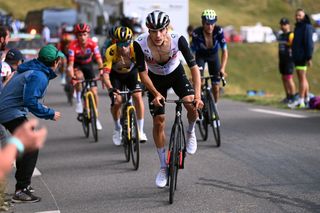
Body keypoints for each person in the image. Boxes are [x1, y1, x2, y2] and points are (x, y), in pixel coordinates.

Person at [133, 10, 203, 188]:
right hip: (155, 80)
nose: (157, 35)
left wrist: (198, 96)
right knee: (159, 121)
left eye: (161, 30)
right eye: (153, 31)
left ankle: (190, 131)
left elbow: (194, 69)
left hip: (176, 74)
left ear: (166, 29)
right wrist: (156, 94)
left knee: (191, 106)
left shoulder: (177, 39)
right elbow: (142, 73)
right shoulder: (139, 44)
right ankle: (163, 166)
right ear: (148, 30)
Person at [0, 44, 64, 203]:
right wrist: (49, 113)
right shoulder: (38, 75)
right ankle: (21, 190)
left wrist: (42, 108)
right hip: (9, 112)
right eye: (59, 60)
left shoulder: (36, 70)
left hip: (9, 110)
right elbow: (30, 101)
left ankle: (22, 186)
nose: (60, 63)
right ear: (55, 62)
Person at [101, 26, 147, 145]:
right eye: (120, 44)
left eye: (126, 44)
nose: (123, 48)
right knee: (117, 101)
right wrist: (110, 88)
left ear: (130, 41)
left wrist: (143, 85)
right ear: (116, 42)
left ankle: (141, 130)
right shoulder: (111, 51)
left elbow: (144, 70)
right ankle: (117, 128)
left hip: (132, 74)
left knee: (137, 96)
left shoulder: (136, 49)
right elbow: (105, 74)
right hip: (116, 76)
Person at [67, 23, 104, 130]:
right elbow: (70, 65)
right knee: (78, 77)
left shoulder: (92, 44)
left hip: (88, 66)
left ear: (88, 35)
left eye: (84, 34)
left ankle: (96, 117)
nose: (82, 37)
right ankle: (79, 101)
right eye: (80, 35)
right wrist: (72, 77)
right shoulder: (72, 45)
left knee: (94, 91)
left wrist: (101, 72)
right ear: (76, 36)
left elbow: (99, 60)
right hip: (77, 65)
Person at [191, 9, 228, 103]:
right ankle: (201, 104)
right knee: (199, 82)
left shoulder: (219, 31)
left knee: (216, 86)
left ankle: (215, 106)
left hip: (213, 56)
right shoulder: (196, 33)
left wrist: (222, 69)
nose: (210, 27)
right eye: (207, 24)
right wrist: (193, 71)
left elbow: (224, 51)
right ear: (203, 23)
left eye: (212, 24)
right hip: (201, 56)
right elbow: (191, 53)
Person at [289, 9, 314, 109]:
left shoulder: (306, 27)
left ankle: (301, 101)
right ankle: (307, 99)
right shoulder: (298, 27)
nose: (297, 17)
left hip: (302, 56)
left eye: (299, 15)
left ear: (304, 16)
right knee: (303, 78)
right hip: (297, 56)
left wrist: (308, 57)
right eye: (296, 15)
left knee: (302, 78)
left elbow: (309, 43)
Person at [278, 18, 296, 104]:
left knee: (289, 78)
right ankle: (287, 95)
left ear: (288, 25)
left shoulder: (291, 34)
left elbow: (293, 45)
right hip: (282, 59)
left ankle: (292, 96)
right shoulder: (281, 35)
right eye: (281, 24)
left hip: (289, 59)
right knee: (283, 78)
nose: (283, 26)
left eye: (285, 24)